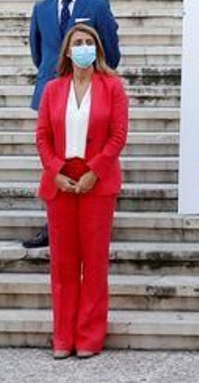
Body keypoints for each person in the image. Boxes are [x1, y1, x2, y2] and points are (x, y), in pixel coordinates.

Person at [36, 22, 130, 359]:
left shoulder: (112, 87)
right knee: (62, 263)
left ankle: (89, 336)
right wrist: (56, 170)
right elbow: (42, 136)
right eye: (77, 42)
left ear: (97, 49)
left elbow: (118, 136)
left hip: (97, 180)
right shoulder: (52, 89)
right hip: (61, 180)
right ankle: (63, 337)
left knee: (93, 263)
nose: (83, 47)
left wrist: (95, 171)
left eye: (88, 42)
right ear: (67, 50)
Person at [24, 0, 120, 249]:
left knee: (89, 149)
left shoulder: (98, 5)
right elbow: (37, 52)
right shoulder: (41, 7)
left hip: (89, 89)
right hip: (51, 90)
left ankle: (93, 218)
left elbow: (112, 51)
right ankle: (52, 225)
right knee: (52, 156)